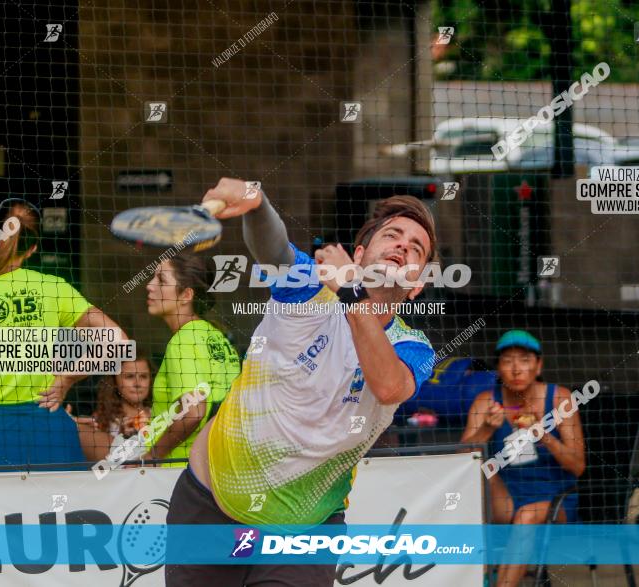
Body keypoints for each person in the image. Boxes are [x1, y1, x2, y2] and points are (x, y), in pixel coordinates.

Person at [164, 178, 438, 587]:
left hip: (305, 529)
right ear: (359, 254)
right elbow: (273, 251)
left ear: (416, 286)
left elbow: (388, 386)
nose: (402, 246)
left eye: (416, 249)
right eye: (393, 236)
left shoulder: (413, 347)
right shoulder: (309, 288)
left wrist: (350, 290)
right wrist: (257, 205)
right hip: (208, 507)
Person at [0, 198, 126, 468]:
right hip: (50, 429)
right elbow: (117, 341)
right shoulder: (54, 288)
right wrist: (66, 380)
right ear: (32, 249)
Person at [461, 329, 585, 587]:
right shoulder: (487, 401)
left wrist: (545, 436)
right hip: (505, 494)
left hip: (553, 499)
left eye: (525, 360)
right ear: (498, 369)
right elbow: (460, 461)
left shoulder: (559, 398)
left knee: (526, 516)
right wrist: (486, 429)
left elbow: (578, 466)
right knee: (481, 474)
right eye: (508, 361)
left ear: (538, 365)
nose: (516, 369)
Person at [140, 250, 240, 466]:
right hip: (215, 467)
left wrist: (152, 456)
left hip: (179, 470)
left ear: (186, 295)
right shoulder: (217, 337)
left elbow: (193, 412)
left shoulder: (183, 340)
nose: (149, 285)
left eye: (161, 280)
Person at [74, 356, 154, 461]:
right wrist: (123, 436)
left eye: (143, 376)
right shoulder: (100, 419)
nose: (137, 384)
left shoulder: (160, 416)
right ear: (115, 381)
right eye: (129, 376)